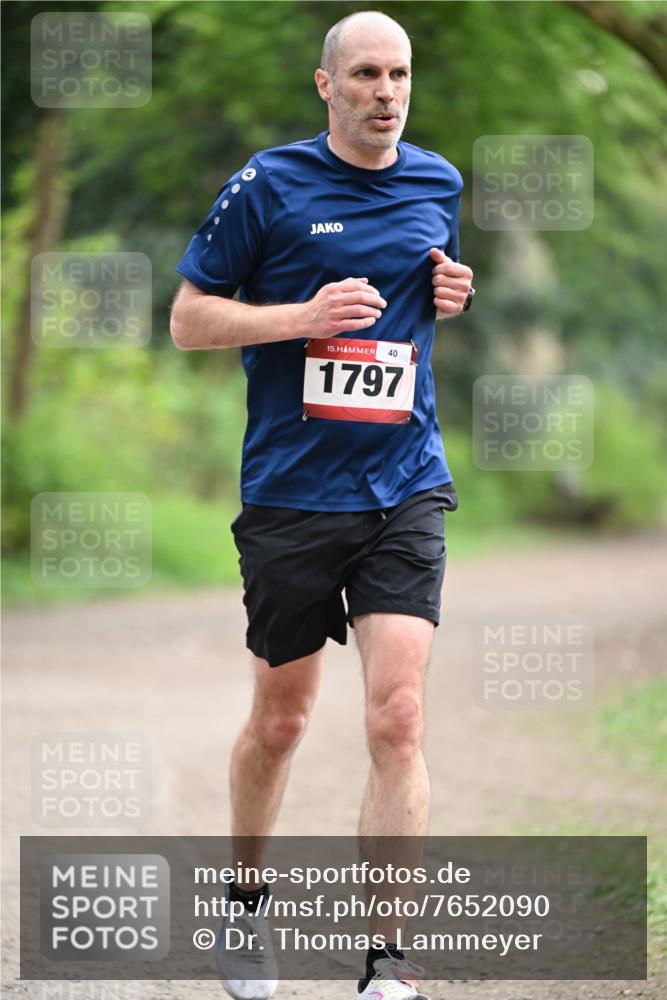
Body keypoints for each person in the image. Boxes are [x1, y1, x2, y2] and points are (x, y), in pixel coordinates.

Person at [171, 9, 474, 1000]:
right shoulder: (269, 183)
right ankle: (246, 900)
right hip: (293, 493)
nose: (386, 91)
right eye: (366, 76)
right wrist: (298, 319)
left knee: (398, 715)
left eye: (400, 75)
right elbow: (188, 320)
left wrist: (448, 293)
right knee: (282, 721)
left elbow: (417, 304)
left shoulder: (438, 182)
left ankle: (385, 959)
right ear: (325, 85)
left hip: (403, 481)